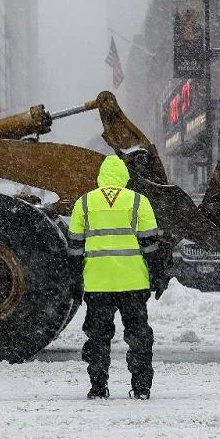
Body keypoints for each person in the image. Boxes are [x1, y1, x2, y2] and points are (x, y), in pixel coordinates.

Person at [67, 154, 163, 400]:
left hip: (98, 284)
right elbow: (151, 246)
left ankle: (98, 387)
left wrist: (75, 281)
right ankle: (141, 388)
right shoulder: (139, 202)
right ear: (124, 177)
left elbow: (74, 249)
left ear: (100, 177)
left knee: (98, 337)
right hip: (133, 283)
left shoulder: (84, 203)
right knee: (139, 335)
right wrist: (157, 275)